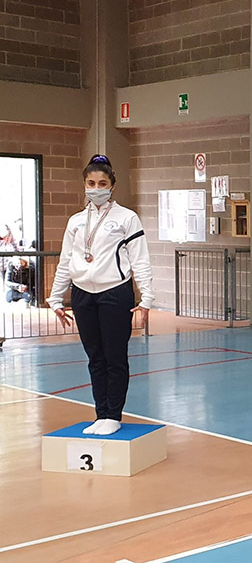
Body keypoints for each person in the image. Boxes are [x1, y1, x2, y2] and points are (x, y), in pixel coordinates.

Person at [47, 154, 154, 436]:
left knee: (114, 356)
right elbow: (66, 261)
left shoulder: (126, 218)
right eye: (91, 183)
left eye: (102, 183)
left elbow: (140, 260)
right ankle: (101, 413)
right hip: (83, 294)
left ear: (112, 186)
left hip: (114, 293)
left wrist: (146, 299)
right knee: (95, 357)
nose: (96, 188)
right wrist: (55, 298)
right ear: (84, 185)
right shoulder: (75, 221)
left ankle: (113, 415)